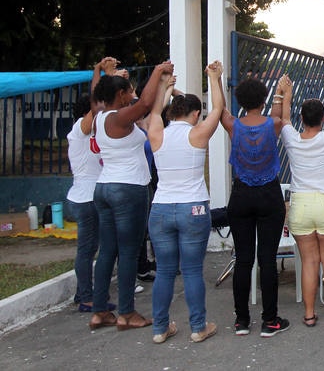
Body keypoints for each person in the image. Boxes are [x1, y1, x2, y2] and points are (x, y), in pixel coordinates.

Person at [88, 60, 174, 331]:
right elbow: (145, 104)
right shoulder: (118, 117)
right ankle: (126, 313)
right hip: (128, 189)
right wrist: (157, 71)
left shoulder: (99, 115)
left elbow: (96, 94)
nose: (130, 95)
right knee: (128, 252)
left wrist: (100, 73)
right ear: (120, 94)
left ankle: (100, 311)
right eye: (127, 91)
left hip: (104, 188)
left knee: (107, 251)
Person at [146, 61, 225, 343]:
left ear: (171, 113)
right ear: (194, 114)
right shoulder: (198, 133)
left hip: (161, 209)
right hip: (193, 208)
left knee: (165, 272)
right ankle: (198, 327)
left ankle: (159, 329)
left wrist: (166, 88)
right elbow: (218, 108)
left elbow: (154, 111)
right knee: (191, 271)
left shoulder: (156, 132)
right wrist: (214, 77)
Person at [277, 67, 324, 327]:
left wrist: (286, 93)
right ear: (323, 118)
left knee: (309, 262)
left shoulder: (291, 139)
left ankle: (309, 314)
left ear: (302, 118)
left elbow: (284, 118)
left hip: (301, 205)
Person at [220, 76, 289, 338]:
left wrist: (215, 80)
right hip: (269, 195)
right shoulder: (273, 125)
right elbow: (278, 114)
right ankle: (270, 321)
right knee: (267, 259)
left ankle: (241, 321)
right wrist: (280, 92)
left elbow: (219, 110)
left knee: (243, 259)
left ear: (240, 101)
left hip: (241, 195)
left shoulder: (233, 125)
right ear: (263, 99)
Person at [66, 57, 114, 313]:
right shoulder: (79, 130)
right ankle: (86, 298)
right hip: (85, 198)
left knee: (94, 247)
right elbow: (98, 106)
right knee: (87, 249)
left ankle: (83, 292)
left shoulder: (95, 131)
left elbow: (103, 107)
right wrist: (100, 72)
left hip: (91, 197)